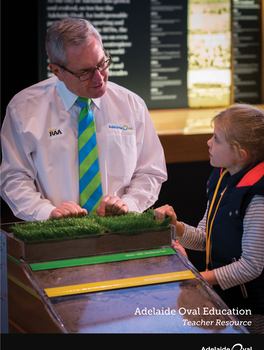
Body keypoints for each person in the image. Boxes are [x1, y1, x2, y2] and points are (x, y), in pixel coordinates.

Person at [0, 18, 167, 221]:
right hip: (53, 236)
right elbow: (13, 177)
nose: (99, 78)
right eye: (85, 72)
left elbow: (150, 171)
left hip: (121, 233)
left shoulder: (132, 105)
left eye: (102, 64)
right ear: (57, 71)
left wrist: (129, 205)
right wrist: (46, 212)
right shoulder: (24, 110)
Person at [154, 104, 264, 333]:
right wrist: (176, 227)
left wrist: (197, 280)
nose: (208, 142)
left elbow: (251, 266)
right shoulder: (223, 176)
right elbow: (206, 239)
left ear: (240, 154)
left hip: (252, 312)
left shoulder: (258, 198)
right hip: (226, 300)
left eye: (216, 138)